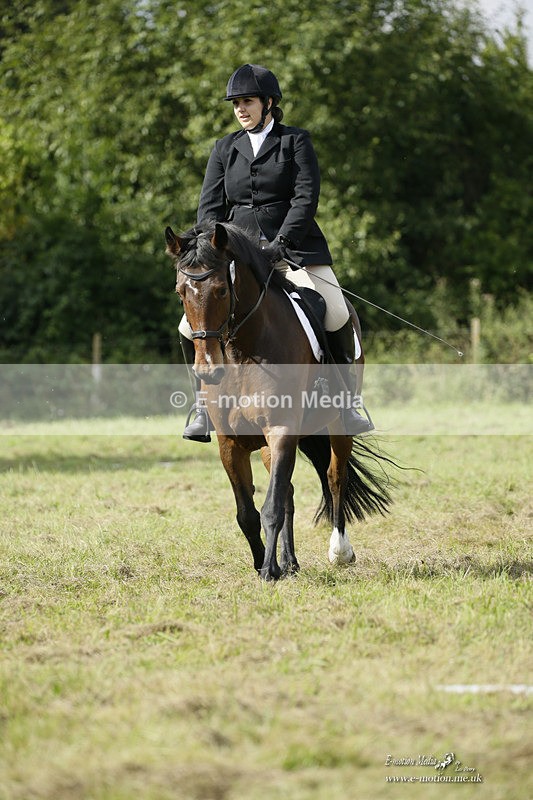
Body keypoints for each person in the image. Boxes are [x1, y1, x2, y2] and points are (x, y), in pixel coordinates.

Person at [179, 63, 374, 442]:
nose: (240, 109)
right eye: (236, 103)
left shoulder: (295, 141)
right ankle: (203, 406)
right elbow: (209, 210)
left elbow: (305, 197)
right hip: (236, 256)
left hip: (295, 250)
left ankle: (347, 403)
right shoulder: (224, 148)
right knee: (189, 325)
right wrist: (212, 250)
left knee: (335, 313)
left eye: (247, 101)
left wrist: (282, 243)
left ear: (269, 103)